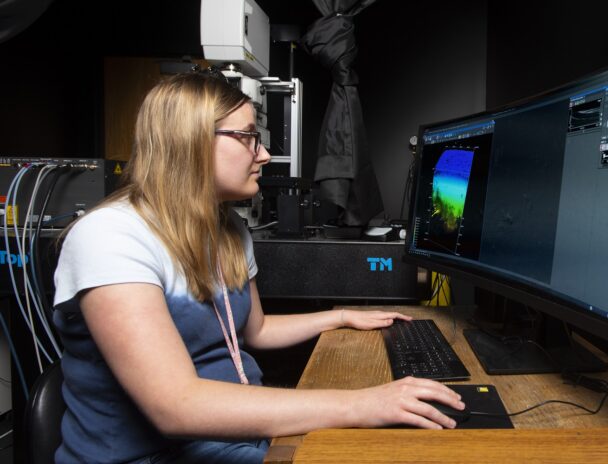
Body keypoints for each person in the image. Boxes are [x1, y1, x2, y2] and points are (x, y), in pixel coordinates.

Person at [52, 72, 464, 464]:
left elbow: (256, 331)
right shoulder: (109, 236)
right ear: (190, 141)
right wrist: (363, 402)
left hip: (233, 438)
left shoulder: (227, 228)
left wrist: (341, 316)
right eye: (248, 138)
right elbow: (175, 407)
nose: (264, 154)